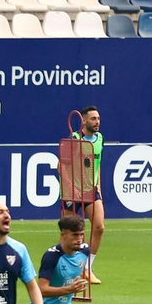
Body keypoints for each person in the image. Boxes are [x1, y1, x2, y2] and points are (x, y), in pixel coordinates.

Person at [64, 106, 104, 284]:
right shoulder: (74, 139)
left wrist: (98, 185)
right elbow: (61, 167)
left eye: (98, 118)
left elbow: (97, 164)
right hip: (71, 192)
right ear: (84, 121)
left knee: (99, 227)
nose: (97, 122)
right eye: (93, 119)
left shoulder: (100, 139)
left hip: (90, 189)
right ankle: (66, 268)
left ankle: (87, 268)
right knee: (69, 232)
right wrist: (72, 187)